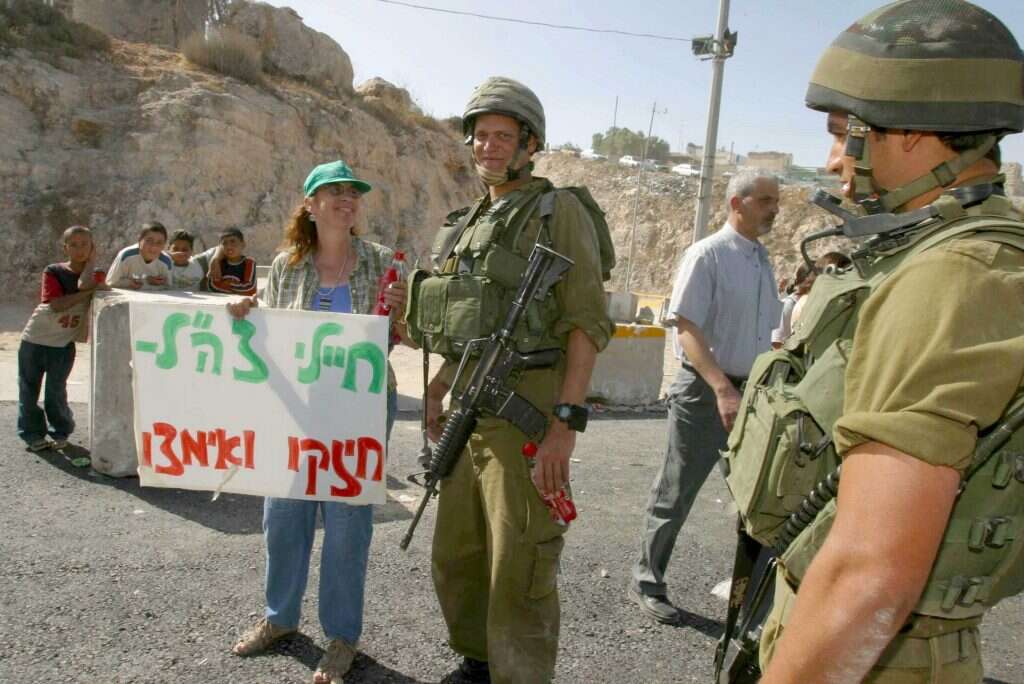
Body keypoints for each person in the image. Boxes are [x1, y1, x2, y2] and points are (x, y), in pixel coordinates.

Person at [751, 2, 1024, 681]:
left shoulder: (952, 277)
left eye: (847, 134)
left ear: (910, 133)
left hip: (879, 659)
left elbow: (868, 576)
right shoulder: (959, 252)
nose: (834, 159)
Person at [406, 77, 612, 683]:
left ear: (530, 144)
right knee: (458, 554)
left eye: (503, 136)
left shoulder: (559, 210)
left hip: (528, 402)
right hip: (470, 404)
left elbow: (586, 324)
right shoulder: (469, 220)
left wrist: (565, 425)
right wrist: (441, 385)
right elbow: (476, 320)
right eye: (481, 136)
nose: (489, 147)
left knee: (519, 562)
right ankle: (478, 661)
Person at [226, 160, 406, 684]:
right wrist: (242, 310)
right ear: (309, 204)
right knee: (283, 515)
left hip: (360, 410)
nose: (346, 199)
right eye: (334, 192)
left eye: (353, 193)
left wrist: (400, 310)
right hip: (296, 409)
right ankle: (279, 619)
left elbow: (401, 337)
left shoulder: (381, 261)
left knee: (349, 524)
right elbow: (268, 326)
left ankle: (341, 636)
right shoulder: (286, 265)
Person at [628, 169, 782, 624]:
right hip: (706, 390)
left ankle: (747, 600)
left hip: (751, 393)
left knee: (759, 499)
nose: (774, 209)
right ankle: (647, 580)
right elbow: (686, 329)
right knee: (676, 492)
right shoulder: (708, 255)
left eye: (776, 201)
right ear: (737, 202)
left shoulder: (761, 259)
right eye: (766, 200)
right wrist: (721, 388)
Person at [18, 225, 107, 453]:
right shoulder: (54, 271)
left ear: (92, 247)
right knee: (29, 390)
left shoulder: (96, 275)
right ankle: (32, 433)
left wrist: (91, 270)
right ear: (65, 248)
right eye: (74, 245)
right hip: (36, 339)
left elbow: (102, 291)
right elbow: (57, 305)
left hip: (62, 344)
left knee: (56, 392)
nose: (79, 249)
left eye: (85, 244)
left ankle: (61, 431)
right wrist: (90, 292)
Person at [106, 221, 172, 290]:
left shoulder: (165, 261)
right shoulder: (126, 256)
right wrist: (131, 282)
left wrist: (153, 282)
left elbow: (169, 288)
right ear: (140, 240)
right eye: (149, 240)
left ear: (164, 245)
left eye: (159, 242)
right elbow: (111, 282)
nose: (154, 246)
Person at [207, 227, 258, 296]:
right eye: (224, 243)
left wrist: (226, 284)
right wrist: (237, 288)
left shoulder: (249, 263)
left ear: (243, 244)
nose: (229, 247)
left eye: (233, 241)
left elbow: (250, 288)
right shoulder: (218, 263)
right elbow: (212, 286)